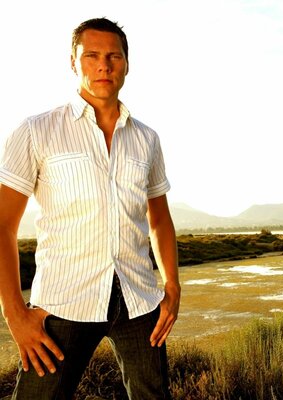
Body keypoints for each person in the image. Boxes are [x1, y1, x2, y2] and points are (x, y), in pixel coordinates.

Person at [0, 17, 180, 399]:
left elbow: (160, 220)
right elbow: (2, 226)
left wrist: (172, 285)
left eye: (114, 56)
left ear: (127, 64)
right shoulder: (36, 131)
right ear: (73, 62)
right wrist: (15, 314)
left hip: (139, 301)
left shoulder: (147, 139)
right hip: (63, 302)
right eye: (92, 55)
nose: (104, 65)